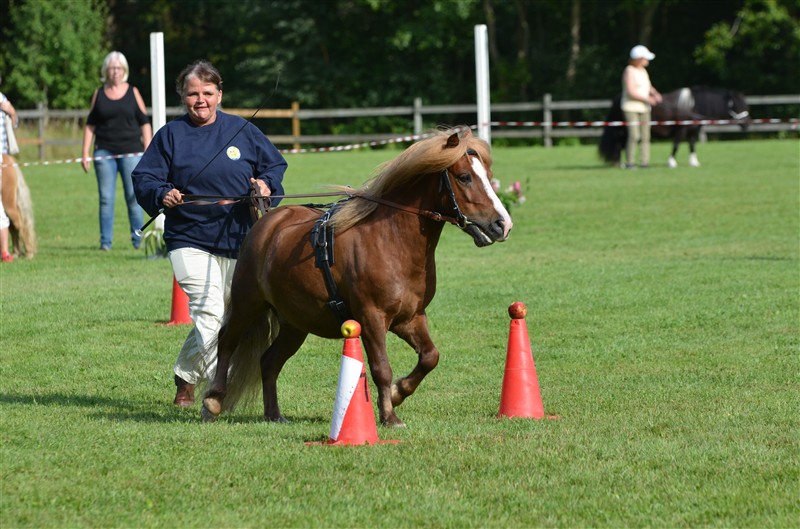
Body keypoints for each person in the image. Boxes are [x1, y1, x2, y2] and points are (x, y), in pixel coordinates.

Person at [132, 60, 288, 407]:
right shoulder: (170, 136)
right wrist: (162, 194)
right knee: (208, 312)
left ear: (219, 94)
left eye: (207, 93)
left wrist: (265, 185)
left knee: (228, 316)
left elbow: (275, 165)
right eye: (192, 94)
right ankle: (223, 388)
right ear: (182, 97)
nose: (199, 100)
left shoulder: (242, 130)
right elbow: (144, 178)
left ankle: (185, 376)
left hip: (240, 240)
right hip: (189, 238)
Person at [82, 51, 152, 251]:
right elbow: (90, 125)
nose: (115, 72)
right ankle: (105, 243)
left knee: (133, 197)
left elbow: (144, 123)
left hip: (132, 152)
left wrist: (148, 150)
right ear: (106, 70)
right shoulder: (99, 93)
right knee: (106, 198)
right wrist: (85, 152)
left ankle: (137, 240)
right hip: (104, 152)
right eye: (112, 68)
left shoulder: (133, 91)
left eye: (119, 68)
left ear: (124, 71)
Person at [621, 45, 662, 169]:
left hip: (644, 108)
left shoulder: (643, 71)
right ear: (639, 59)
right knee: (634, 135)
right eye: (645, 58)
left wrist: (655, 94)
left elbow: (648, 86)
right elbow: (631, 91)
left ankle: (644, 162)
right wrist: (647, 99)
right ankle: (630, 162)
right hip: (631, 107)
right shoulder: (629, 70)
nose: (647, 60)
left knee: (645, 136)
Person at [0, 78, 18, 263]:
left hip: (2, 159)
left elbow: (14, 125)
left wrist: (12, 112)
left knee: (6, 208)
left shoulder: (3, 99)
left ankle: (8, 250)